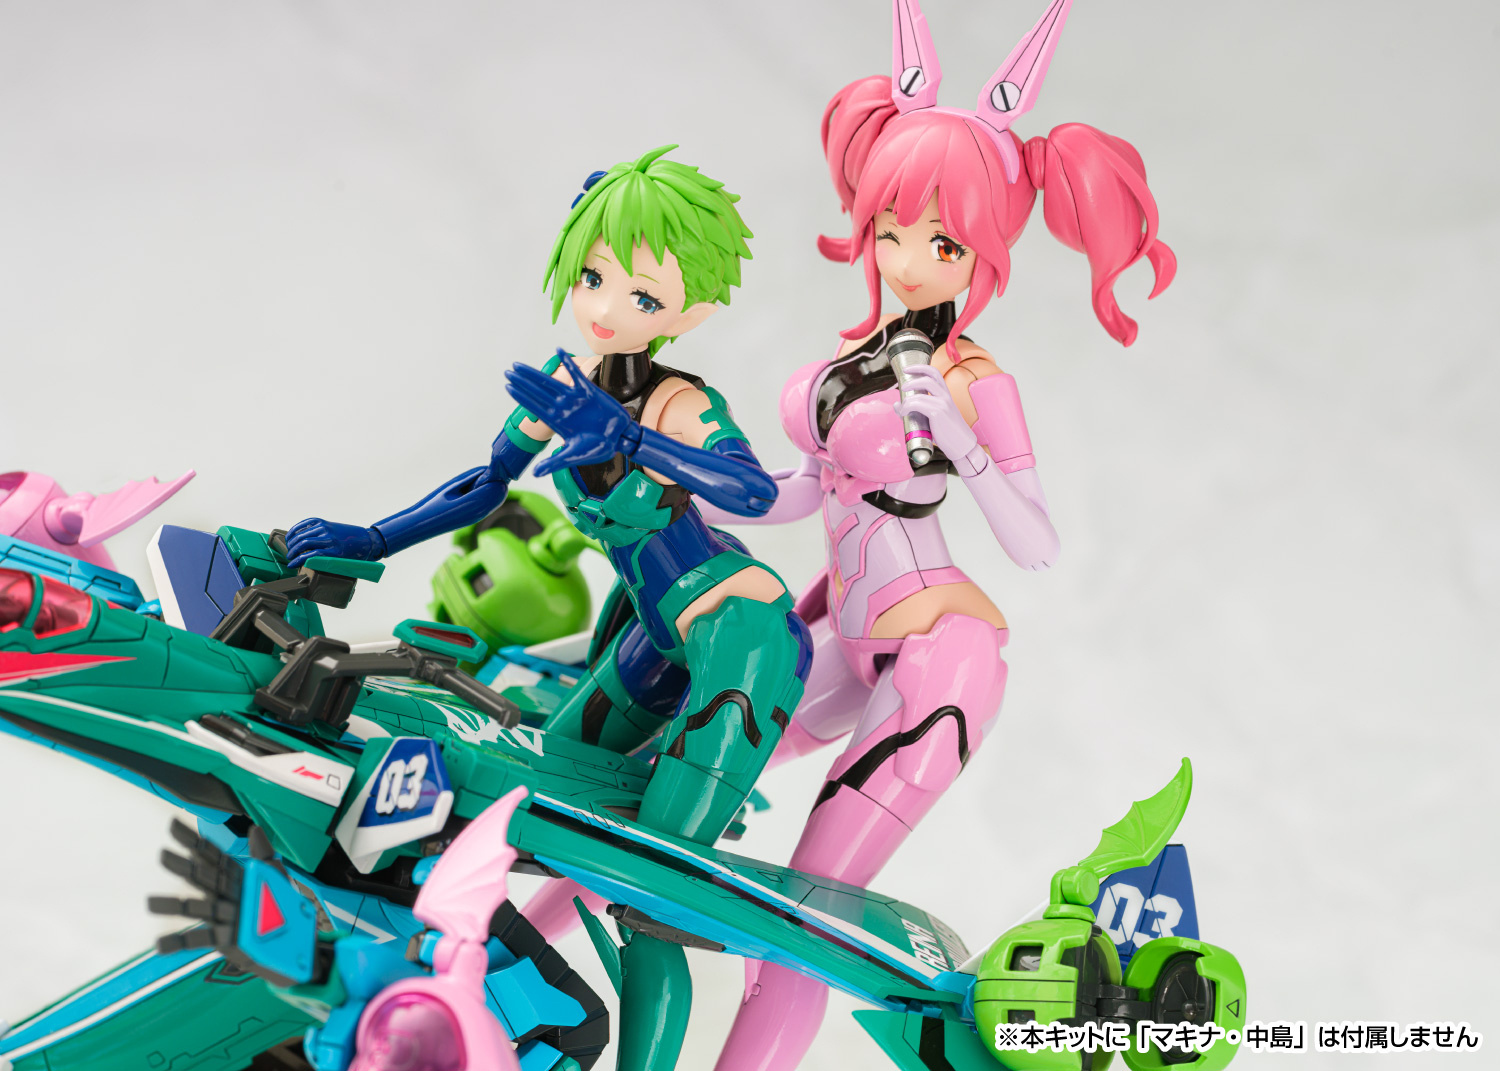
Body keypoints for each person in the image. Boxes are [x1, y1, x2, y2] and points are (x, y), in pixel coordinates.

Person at [700, 2, 1176, 1067]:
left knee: (796, 926)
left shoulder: (973, 380)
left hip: (939, 660)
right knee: (662, 798)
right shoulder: (855, 359)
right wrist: (681, 483)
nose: (909, 258)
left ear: (984, 252)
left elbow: (1038, 543)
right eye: (893, 229)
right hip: (843, 635)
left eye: (943, 241)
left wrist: (962, 444)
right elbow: (800, 493)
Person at [284, 145, 811, 1071]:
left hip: (742, 640)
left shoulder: (679, 401)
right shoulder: (566, 383)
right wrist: (371, 538)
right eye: (594, 277)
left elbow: (752, 488)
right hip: (656, 637)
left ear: (690, 313)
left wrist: (634, 436)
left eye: (642, 296)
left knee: (653, 895)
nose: (606, 306)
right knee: (526, 794)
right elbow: (486, 482)